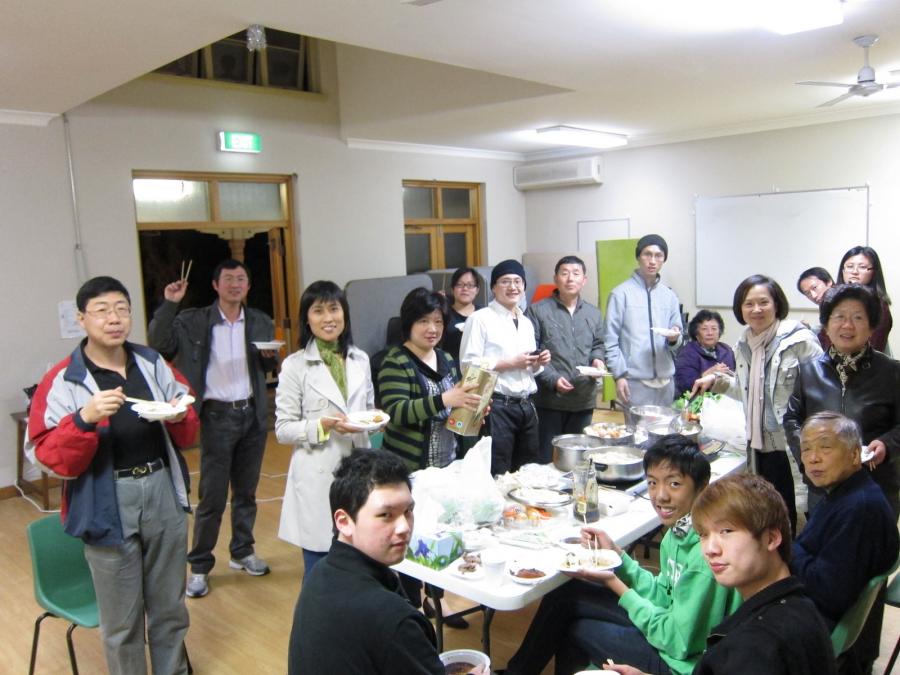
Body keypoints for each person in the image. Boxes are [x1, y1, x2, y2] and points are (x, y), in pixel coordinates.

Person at [27, 276, 199, 675]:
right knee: (122, 622)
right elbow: (46, 456)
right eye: (102, 311)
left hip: (161, 488)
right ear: (81, 319)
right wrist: (83, 419)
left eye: (122, 309)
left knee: (170, 608)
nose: (114, 319)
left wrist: (179, 414)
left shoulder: (152, 363)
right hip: (106, 498)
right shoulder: (63, 379)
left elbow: (187, 418)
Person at [502, 435, 741, 675]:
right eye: (652, 482)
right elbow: (662, 596)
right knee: (568, 592)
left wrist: (614, 584)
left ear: (702, 486)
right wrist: (617, 556)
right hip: (667, 627)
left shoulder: (706, 555)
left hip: (680, 664)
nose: (661, 496)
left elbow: (677, 642)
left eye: (674, 484)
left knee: (576, 629)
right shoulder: (677, 532)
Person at [605, 474, 836, 675]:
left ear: (771, 538)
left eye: (726, 531)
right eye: (703, 534)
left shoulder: (756, 647)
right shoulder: (796, 605)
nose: (710, 549)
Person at [287, 449, 487, 675]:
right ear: (344, 521)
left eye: (408, 511)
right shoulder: (393, 621)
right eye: (385, 515)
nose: (404, 527)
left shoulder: (320, 573)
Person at [148, 259, 277, 598]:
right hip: (217, 417)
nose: (236, 284)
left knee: (246, 492)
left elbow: (270, 365)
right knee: (212, 497)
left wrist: (270, 359)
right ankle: (200, 565)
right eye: (229, 279)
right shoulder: (193, 320)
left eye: (241, 279)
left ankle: (242, 551)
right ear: (216, 285)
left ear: (248, 286)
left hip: (252, 415)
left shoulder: (260, 321)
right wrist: (170, 304)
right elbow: (159, 344)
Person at [377, 286, 482, 628]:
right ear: (408, 323)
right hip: (409, 471)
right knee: (410, 540)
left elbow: (456, 410)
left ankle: (437, 600)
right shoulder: (395, 360)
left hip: (445, 467)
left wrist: (473, 410)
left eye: (438, 321)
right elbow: (396, 411)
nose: (432, 328)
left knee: (442, 536)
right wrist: (444, 400)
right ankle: (413, 609)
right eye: (423, 321)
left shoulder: (447, 359)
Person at [692, 274, 821, 530]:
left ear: (777, 304)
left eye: (763, 302)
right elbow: (749, 392)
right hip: (759, 448)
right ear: (740, 309)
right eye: (749, 304)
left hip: (793, 448)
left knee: (801, 515)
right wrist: (716, 381)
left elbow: (821, 393)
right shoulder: (744, 345)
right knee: (771, 516)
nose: (756, 309)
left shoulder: (800, 341)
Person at [274, 281, 376, 575]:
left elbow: (369, 410)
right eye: (318, 311)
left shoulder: (360, 358)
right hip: (318, 471)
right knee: (320, 564)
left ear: (345, 313)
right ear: (307, 319)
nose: (328, 318)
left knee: (361, 555)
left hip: (358, 467)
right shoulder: (295, 365)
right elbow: (283, 428)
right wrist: (322, 426)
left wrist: (371, 422)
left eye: (334, 309)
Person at [791, 412, 898, 674]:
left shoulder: (859, 510)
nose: (813, 458)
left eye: (825, 447)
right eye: (806, 449)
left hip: (814, 624)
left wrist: (786, 548)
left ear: (854, 455)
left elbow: (830, 594)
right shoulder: (846, 493)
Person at [783, 284, 900, 516]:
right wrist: (807, 456)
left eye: (857, 317)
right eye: (839, 317)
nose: (847, 325)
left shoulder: (891, 371)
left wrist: (887, 444)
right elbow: (792, 420)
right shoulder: (809, 371)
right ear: (826, 325)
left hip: (875, 485)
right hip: (823, 488)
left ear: (871, 327)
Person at [460, 259, 550, 474]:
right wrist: (509, 363)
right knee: (498, 472)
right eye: (505, 281)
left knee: (528, 471)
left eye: (518, 281)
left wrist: (538, 362)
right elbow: (468, 366)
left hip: (527, 405)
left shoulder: (526, 322)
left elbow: (529, 369)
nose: (513, 287)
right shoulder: (480, 319)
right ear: (493, 287)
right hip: (497, 406)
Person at [525, 255, 606, 461]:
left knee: (579, 457)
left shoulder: (593, 313)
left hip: (583, 398)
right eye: (564, 273)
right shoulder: (537, 310)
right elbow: (532, 351)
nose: (570, 278)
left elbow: (598, 345)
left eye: (576, 273)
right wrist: (552, 379)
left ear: (584, 280)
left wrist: (597, 360)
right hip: (549, 399)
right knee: (547, 457)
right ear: (556, 278)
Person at [604, 234, 684, 423]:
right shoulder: (620, 294)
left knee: (664, 435)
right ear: (638, 256)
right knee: (637, 436)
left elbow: (678, 338)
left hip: (666, 382)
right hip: (634, 381)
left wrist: (674, 338)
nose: (652, 261)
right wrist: (619, 375)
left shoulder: (669, 296)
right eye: (647, 254)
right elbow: (610, 340)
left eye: (658, 255)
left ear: (664, 259)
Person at [832, 245, 892, 353]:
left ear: (874, 272)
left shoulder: (879, 305)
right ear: (843, 271)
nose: (855, 271)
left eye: (862, 267)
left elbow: (873, 347)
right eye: (850, 266)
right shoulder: (833, 300)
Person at [673, 310, 735, 398]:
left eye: (714, 329)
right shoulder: (687, 352)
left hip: (726, 400)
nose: (710, 333)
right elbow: (683, 385)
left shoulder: (726, 350)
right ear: (696, 334)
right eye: (704, 329)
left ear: (719, 332)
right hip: (696, 401)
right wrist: (707, 374)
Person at [442, 267, 483, 362]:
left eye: (470, 285)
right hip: (451, 366)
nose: (465, 289)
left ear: (477, 290)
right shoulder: (444, 313)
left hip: (480, 367)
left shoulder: (484, 313)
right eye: (459, 285)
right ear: (452, 289)